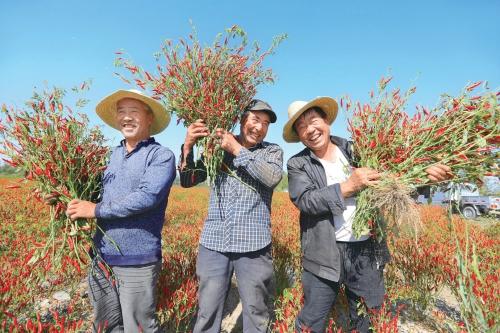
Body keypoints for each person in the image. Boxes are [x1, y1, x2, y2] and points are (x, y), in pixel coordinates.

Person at [283, 97, 451, 333]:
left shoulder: (357, 150)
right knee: (311, 322)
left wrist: (424, 177)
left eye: (313, 120)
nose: (310, 129)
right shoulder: (298, 163)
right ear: (298, 135)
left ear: (326, 122)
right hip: (323, 255)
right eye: (301, 126)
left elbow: (393, 182)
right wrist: (348, 186)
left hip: (366, 252)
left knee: (367, 320)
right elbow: (306, 200)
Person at [65, 89, 176, 332]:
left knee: (139, 326)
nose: (126, 117)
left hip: (137, 257)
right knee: (105, 322)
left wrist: (95, 210)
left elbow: (147, 197)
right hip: (101, 254)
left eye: (133, 111)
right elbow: (92, 193)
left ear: (149, 118)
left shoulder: (160, 156)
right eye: (121, 112)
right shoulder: (110, 156)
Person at [179, 99, 283, 333]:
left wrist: (236, 149)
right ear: (241, 119)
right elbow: (188, 181)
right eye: (255, 120)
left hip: (254, 245)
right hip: (215, 242)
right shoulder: (217, 148)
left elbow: (272, 177)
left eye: (265, 123)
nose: (259, 127)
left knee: (256, 312)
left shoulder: (271, 151)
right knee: (208, 310)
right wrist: (188, 146)